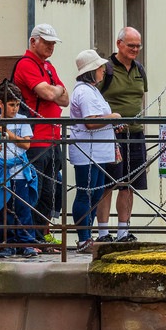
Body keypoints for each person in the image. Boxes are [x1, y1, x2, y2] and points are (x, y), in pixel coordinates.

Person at [13, 24, 70, 242]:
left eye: (53, 43)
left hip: (52, 138)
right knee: (34, 191)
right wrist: (57, 90)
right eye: (46, 42)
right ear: (33, 41)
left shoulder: (47, 66)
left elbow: (65, 99)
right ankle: (30, 238)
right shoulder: (26, 64)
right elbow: (47, 93)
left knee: (51, 192)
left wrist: (56, 91)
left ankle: (42, 236)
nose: (50, 46)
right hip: (35, 138)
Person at [67, 49, 122, 251]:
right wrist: (113, 119)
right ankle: (83, 238)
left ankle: (86, 235)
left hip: (96, 151)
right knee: (86, 194)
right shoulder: (84, 92)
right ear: (91, 70)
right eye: (100, 67)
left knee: (96, 194)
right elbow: (90, 122)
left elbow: (99, 119)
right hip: (87, 151)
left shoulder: (92, 90)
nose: (103, 70)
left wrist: (112, 122)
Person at [96, 26, 147, 242]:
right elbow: (94, 99)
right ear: (119, 44)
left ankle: (123, 231)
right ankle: (103, 233)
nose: (135, 49)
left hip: (135, 133)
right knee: (108, 183)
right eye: (131, 45)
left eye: (138, 46)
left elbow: (141, 98)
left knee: (129, 183)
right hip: (111, 135)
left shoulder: (139, 70)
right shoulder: (105, 69)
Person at [0, 83, 39, 256]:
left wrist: (9, 134)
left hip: (20, 172)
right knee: (5, 208)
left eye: (17, 105)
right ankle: (6, 243)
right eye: (11, 105)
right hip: (2, 171)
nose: (15, 109)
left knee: (23, 208)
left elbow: (26, 143)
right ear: (1, 104)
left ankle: (26, 243)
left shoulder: (22, 121)